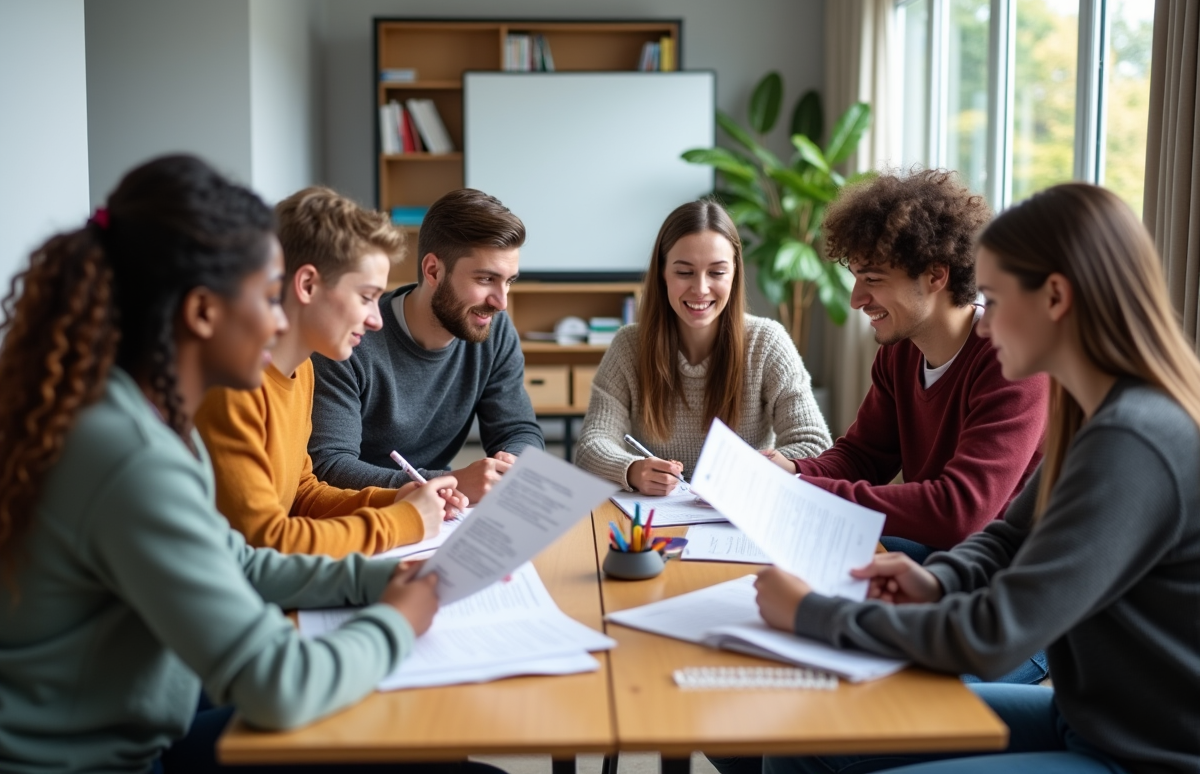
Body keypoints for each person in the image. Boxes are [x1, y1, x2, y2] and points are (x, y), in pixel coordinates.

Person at [0, 155, 486, 774]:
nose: (280, 319)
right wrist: (397, 620)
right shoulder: (133, 457)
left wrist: (376, 582)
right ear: (203, 312)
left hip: (142, 723)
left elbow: (239, 561)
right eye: (266, 296)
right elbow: (280, 684)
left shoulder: (142, 417)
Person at [756, 183, 1200, 774]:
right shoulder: (1094, 414)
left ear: (1055, 298)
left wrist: (815, 614)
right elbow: (1009, 537)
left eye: (992, 298)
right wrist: (936, 581)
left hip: (1142, 754)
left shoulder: (1134, 440)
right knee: (801, 735)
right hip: (1081, 715)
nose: (984, 325)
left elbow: (996, 632)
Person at [764, 170, 1048, 562]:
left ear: (936, 275)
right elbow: (864, 456)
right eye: (857, 278)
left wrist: (806, 491)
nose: (856, 299)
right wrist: (793, 471)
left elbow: (959, 512)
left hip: (995, 568)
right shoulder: (900, 351)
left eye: (873, 279)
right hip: (938, 554)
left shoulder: (1012, 362)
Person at [195, 186, 464, 557]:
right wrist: (403, 521)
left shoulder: (302, 369)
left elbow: (301, 494)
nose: (376, 320)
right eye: (366, 297)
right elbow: (264, 541)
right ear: (307, 285)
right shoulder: (233, 388)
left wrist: (394, 500)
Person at [575, 199, 831, 493]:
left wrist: (751, 471)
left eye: (717, 272)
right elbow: (592, 445)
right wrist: (632, 470)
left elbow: (814, 444)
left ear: (734, 273)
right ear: (662, 273)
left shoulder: (767, 343)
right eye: (684, 272)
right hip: (654, 513)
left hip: (739, 510)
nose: (700, 288)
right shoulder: (629, 345)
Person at [309, 188, 544, 504]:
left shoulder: (494, 330)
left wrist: (509, 466)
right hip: (360, 512)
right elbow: (329, 466)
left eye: (509, 281)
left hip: (442, 510)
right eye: (486, 279)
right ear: (433, 270)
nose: (501, 302)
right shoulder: (349, 340)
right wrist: (450, 483)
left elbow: (518, 430)